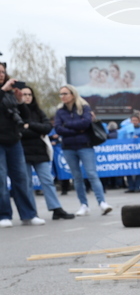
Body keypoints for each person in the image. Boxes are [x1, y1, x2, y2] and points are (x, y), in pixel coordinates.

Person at [53, 85, 112, 216]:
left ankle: (102, 203)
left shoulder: (84, 107)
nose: (62, 96)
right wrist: (76, 129)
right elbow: (58, 128)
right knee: (77, 177)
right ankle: (83, 205)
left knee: (92, 174)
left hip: (85, 145)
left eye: (65, 93)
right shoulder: (59, 111)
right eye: (60, 94)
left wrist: (67, 125)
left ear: (72, 94)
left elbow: (85, 123)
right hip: (68, 147)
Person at [18, 85, 73, 219]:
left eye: (29, 94)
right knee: (26, 184)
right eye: (24, 94)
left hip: (39, 151)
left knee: (48, 180)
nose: (27, 97)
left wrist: (29, 125)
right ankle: (30, 213)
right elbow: (19, 131)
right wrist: (37, 131)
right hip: (21, 151)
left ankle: (56, 209)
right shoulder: (15, 111)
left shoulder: (38, 111)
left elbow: (48, 128)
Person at [0, 65, 44, 226]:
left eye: (3, 72)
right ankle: (4, 215)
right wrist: (3, 90)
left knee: (21, 178)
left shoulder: (9, 93)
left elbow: (25, 116)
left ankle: (29, 214)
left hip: (14, 141)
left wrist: (19, 101)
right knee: (1, 180)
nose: (1, 74)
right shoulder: (4, 91)